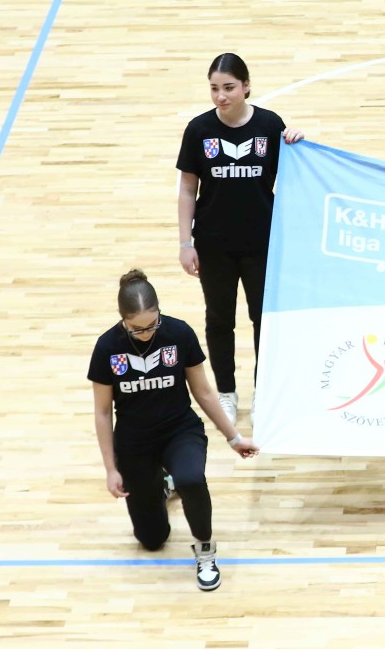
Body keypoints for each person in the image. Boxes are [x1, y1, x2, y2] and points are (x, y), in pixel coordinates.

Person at [89, 270, 261, 591]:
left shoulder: (179, 334)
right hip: (134, 442)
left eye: (152, 325)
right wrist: (111, 469)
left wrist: (234, 437)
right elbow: (101, 412)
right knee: (151, 540)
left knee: (192, 479)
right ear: (123, 319)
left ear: (159, 311)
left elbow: (204, 392)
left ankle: (205, 549)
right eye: (136, 328)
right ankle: (164, 485)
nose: (145, 334)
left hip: (179, 431)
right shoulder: (107, 347)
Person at [177, 53, 304, 425]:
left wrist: (297, 144)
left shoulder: (269, 125)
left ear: (246, 86)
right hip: (213, 244)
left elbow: (295, 175)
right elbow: (187, 190)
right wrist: (185, 243)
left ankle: (265, 391)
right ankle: (227, 393)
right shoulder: (199, 130)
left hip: (261, 243)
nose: (221, 96)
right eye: (214, 88)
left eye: (229, 88)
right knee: (219, 320)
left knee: (263, 319)